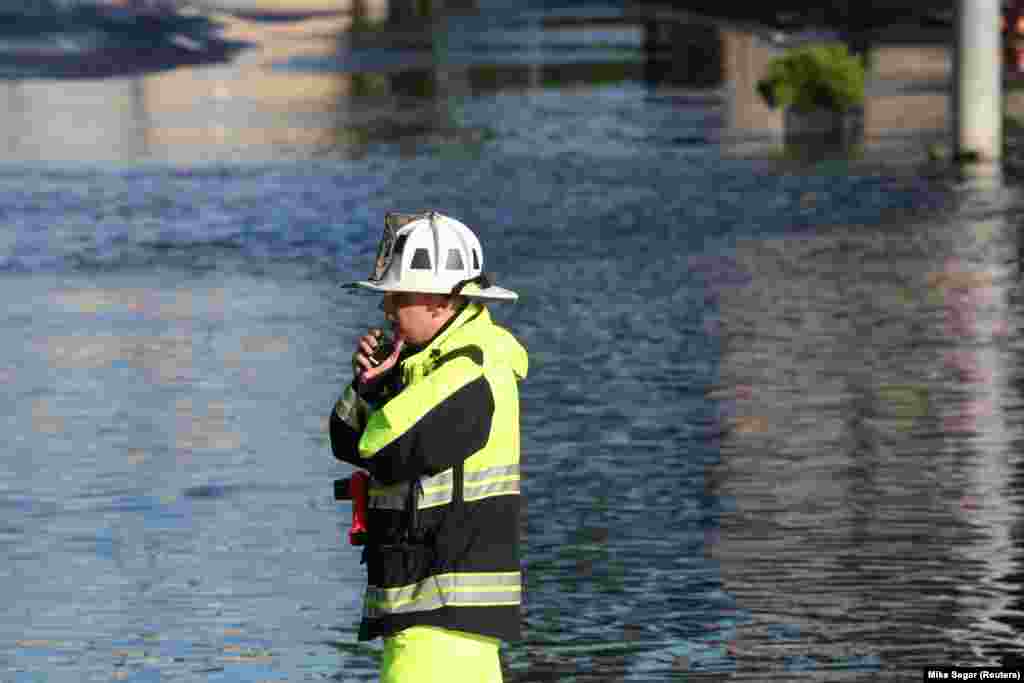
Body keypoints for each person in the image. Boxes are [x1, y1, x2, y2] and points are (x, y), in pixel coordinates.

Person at [329, 211, 528, 683]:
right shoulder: (432, 366)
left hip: (439, 622)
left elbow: (381, 448)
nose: (387, 308)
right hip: (435, 621)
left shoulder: (469, 370)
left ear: (441, 300)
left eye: (398, 294)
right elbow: (344, 440)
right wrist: (369, 384)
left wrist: (382, 388)